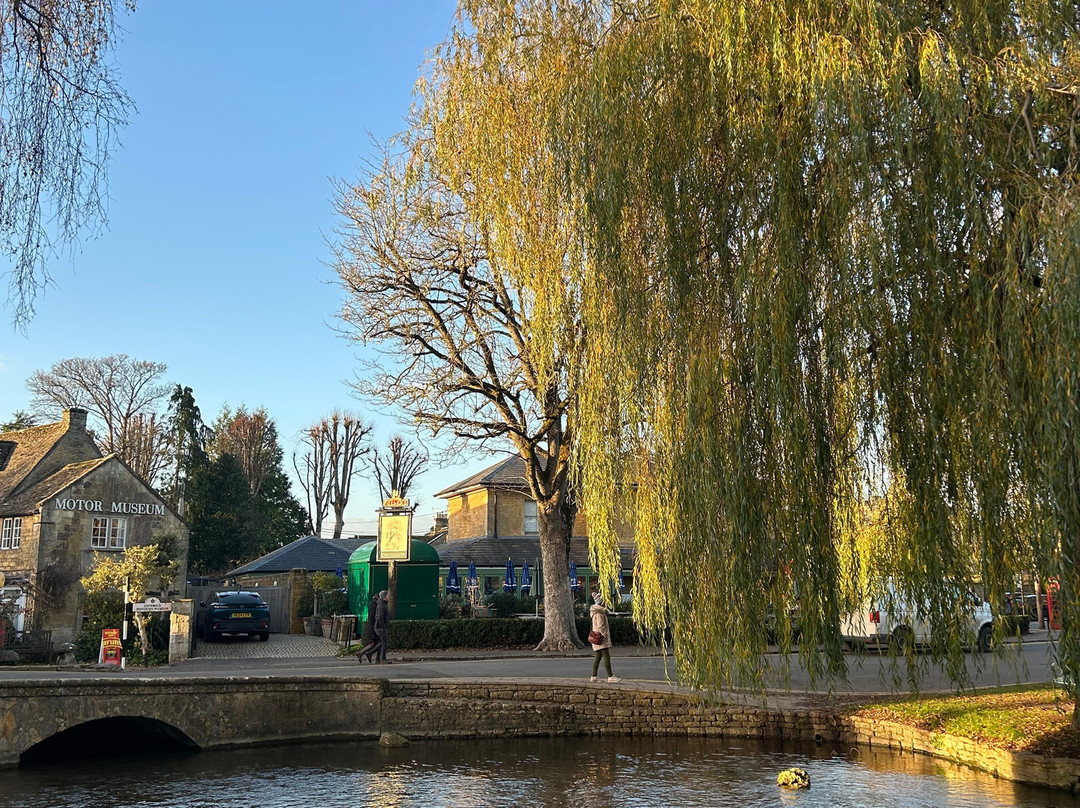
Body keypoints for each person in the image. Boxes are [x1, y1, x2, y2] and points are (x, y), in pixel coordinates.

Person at [589, 589, 620, 683]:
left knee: (598, 656)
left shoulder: (596, 612)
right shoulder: (599, 613)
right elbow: (600, 626)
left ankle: (594, 676)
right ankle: (610, 676)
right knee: (606, 656)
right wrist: (605, 634)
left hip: (597, 637)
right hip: (600, 638)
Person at [355, 593, 381, 663]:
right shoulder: (374, 605)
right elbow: (372, 617)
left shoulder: (372, 604)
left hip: (372, 626)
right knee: (380, 642)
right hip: (374, 626)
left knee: (375, 643)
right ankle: (376, 658)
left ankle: (361, 653)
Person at [373, 589, 391, 663]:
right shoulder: (382, 605)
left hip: (380, 626)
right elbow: (380, 617)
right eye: (387, 595)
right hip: (380, 627)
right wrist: (383, 627)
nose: (389, 596)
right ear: (384, 597)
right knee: (384, 642)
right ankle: (382, 658)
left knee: (382, 642)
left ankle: (377, 658)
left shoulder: (383, 604)